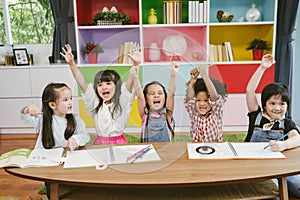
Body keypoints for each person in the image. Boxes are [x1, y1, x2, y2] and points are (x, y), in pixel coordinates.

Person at [20, 82, 90, 199]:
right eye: (65, 100)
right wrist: (28, 109)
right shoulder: (43, 119)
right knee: (52, 184)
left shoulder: (76, 119)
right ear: (52, 105)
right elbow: (25, 118)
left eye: (71, 98)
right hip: (48, 163)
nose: (70, 102)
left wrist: (75, 139)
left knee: (71, 184)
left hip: (68, 161)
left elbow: (85, 136)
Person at [60, 43, 140, 145]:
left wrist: (136, 64)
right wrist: (71, 63)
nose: (104, 87)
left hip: (120, 142)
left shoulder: (122, 100)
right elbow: (81, 82)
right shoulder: (95, 102)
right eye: (100, 85)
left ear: (117, 86)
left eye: (108, 83)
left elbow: (130, 81)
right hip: (100, 143)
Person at [245, 54, 300, 198]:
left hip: (279, 167)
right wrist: (262, 67)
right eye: (272, 103)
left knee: (297, 184)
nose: (277, 108)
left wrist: (284, 145)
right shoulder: (255, 115)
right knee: (274, 191)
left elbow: (297, 138)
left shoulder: (286, 122)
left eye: (282, 104)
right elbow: (250, 90)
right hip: (255, 166)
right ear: (264, 104)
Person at [133, 62, 178, 142]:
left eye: (160, 93)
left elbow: (171, 94)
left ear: (165, 98)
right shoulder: (145, 114)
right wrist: (135, 76)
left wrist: (173, 75)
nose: (156, 96)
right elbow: (140, 97)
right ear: (146, 99)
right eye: (152, 93)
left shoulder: (168, 114)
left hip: (165, 151)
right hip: (149, 152)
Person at [185, 65, 228, 142]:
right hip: (196, 147)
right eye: (198, 100)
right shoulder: (194, 113)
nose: (201, 103)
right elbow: (189, 100)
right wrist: (192, 81)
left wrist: (204, 75)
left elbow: (214, 97)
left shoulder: (215, 112)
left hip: (215, 147)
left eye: (206, 100)